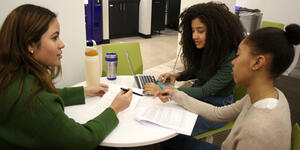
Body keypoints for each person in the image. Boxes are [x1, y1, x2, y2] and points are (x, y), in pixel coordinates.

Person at [0, 4, 132, 150]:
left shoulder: (11, 77)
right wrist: (115, 108)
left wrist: (84, 91)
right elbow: (84, 139)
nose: (62, 44)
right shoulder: (36, 100)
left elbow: (47, 93)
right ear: (29, 45)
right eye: (54, 37)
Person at [155, 24, 300, 150]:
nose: (233, 62)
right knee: (173, 141)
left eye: (238, 55)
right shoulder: (269, 95)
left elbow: (207, 94)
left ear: (257, 62)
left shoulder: (256, 131)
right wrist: (175, 94)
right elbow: (218, 113)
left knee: (170, 142)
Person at [144, 2, 245, 136]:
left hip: (217, 106)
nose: (194, 36)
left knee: (171, 127)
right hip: (198, 97)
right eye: (193, 31)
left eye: (200, 31)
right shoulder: (208, 48)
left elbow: (205, 91)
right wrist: (177, 76)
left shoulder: (231, 58)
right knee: (163, 113)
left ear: (217, 30)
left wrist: (167, 90)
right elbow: (197, 70)